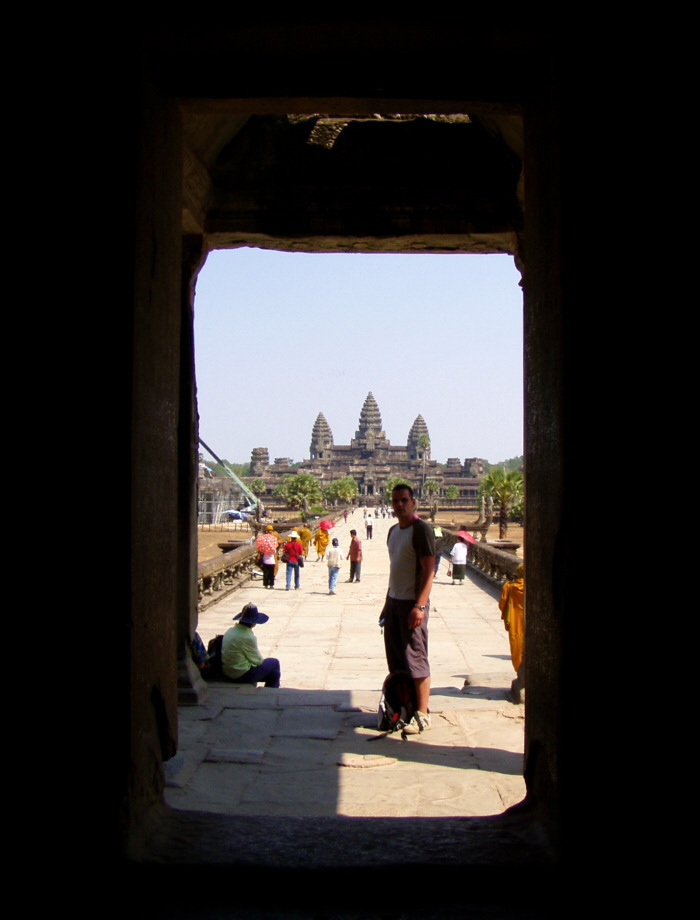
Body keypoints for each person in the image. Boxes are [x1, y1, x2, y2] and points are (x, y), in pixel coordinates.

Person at [379, 484, 436, 734]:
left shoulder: (421, 530)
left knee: (415, 656)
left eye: (404, 500)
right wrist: (386, 603)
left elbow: (429, 571)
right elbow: (396, 571)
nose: (399, 505)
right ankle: (404, 704)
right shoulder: (393, 531)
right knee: (396, 659)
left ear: (413, 502)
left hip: (413, 603)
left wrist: (420, 605)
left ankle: (423, 714)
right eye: (395, 501)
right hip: (394, 601)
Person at [221, 602, 281, 687]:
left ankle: (270, 692)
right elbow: (257, 660)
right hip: (240, 674)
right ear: (253, 622)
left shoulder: (230, 630)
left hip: (227, 670)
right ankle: (271, 694)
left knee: (275, 673)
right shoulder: (247, 637)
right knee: (274, 662)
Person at [499, 563, 524, 674]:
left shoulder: (509, 587)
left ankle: (519, 670)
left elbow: (501, 604)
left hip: (515, 620)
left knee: (517, 646)